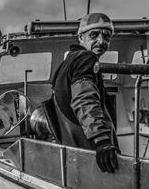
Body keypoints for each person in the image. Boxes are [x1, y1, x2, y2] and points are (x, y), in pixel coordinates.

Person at [51, 12, 119, 173]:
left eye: (107, 36)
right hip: (94, 155)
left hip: (76, 155)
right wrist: (102, 141)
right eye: (94, 35)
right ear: (81, 37)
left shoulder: (68, 62)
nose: (101, 41)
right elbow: (84, 99)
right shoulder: (86, 59)